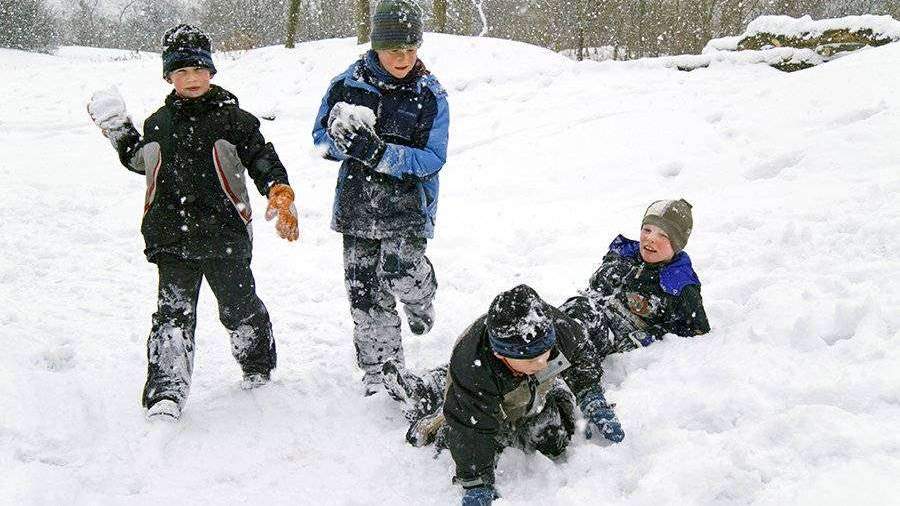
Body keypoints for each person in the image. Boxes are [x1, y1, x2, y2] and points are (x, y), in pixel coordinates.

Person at [86, 24, 299, 421]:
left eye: (199, 69)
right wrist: (118, 129)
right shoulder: (157, 124)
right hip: (171, 234)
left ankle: (257, 364)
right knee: (172, 315)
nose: (192, 79)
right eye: (181, 72)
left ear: (212, 71)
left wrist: (278, 190)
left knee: (238, 306)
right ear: (169, 77)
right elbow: (142, 159)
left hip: (224, 235)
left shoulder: (234, 120)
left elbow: (261, 157)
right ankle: (166, 391)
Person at [311, 0, 450, 394]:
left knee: (401, 270)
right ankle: (381, 374)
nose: (403, 58)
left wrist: (380, 154)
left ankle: (422, 299)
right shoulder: (347, 84)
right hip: (356, 206)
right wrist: (340, 143)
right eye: (394, 50)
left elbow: (433, 158)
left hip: (407, 202)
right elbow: (320, 140)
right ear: (375, 46)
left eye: (411, 49)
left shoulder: (430, 94)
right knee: (364, 292)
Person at [385, 285, 621, 505]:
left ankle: (547, 394)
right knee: (474, 422)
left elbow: (581, 357)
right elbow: (471, 429)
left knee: (553, 440)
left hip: (533, 385)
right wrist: (476, 481)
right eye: (530, 358)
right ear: (501, 354)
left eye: (545, 353)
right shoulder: (473, 365)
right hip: (482, 390)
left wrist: (592, 398)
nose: (541, 362)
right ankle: (436, 407)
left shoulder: (557, 329)